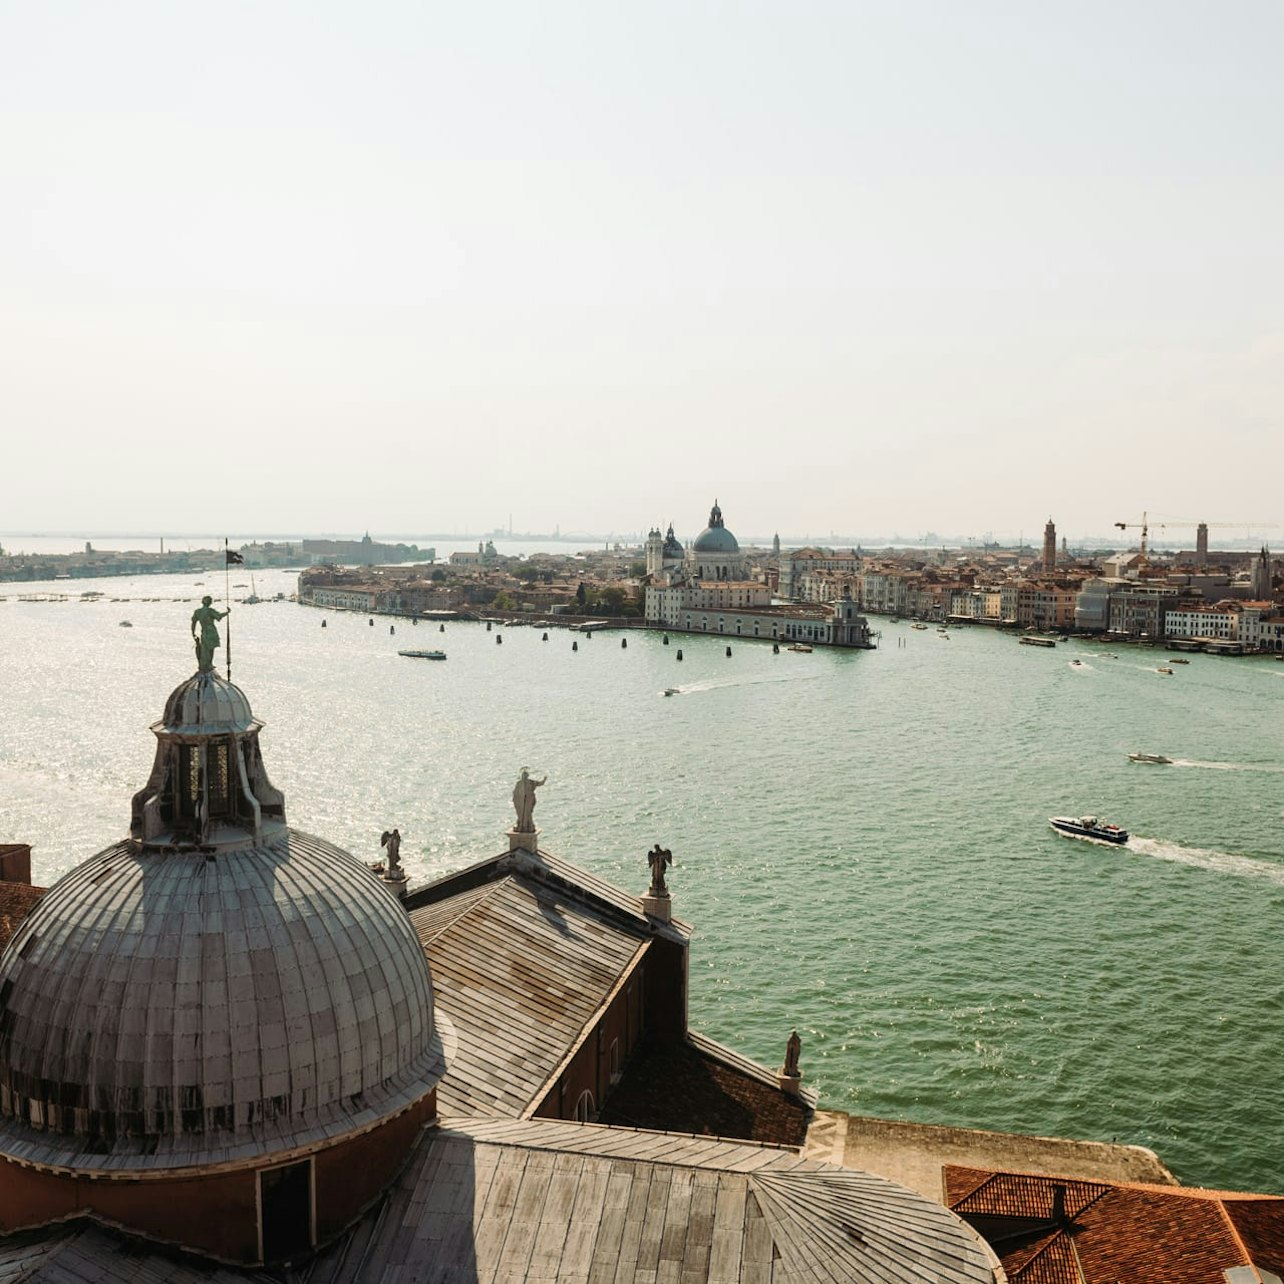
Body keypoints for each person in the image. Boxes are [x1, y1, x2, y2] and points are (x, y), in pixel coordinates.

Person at [190, 596, 229, 672]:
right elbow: (219, 616)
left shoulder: (198, 612)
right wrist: (227, 612)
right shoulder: (210, 611)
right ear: (209, 603)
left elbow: (193, 622)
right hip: (212, 631)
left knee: (205, 648)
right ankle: (209, 664)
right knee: (211, 649)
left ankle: (206, 664)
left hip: (204, 631)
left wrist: (193, 633)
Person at [512, 768, 546, 833]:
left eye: (525, 776)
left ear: (527, 776)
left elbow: (540, 783)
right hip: (521, 802)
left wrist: (544, 780)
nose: (524, 777)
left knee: (527, 813)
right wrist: (516, 800)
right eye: (523, 776)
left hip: (528, 802)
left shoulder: (531, 782)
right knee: (521, 814)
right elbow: (515, 793)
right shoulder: (519, 783)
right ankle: (522, 825)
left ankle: (528, 825)